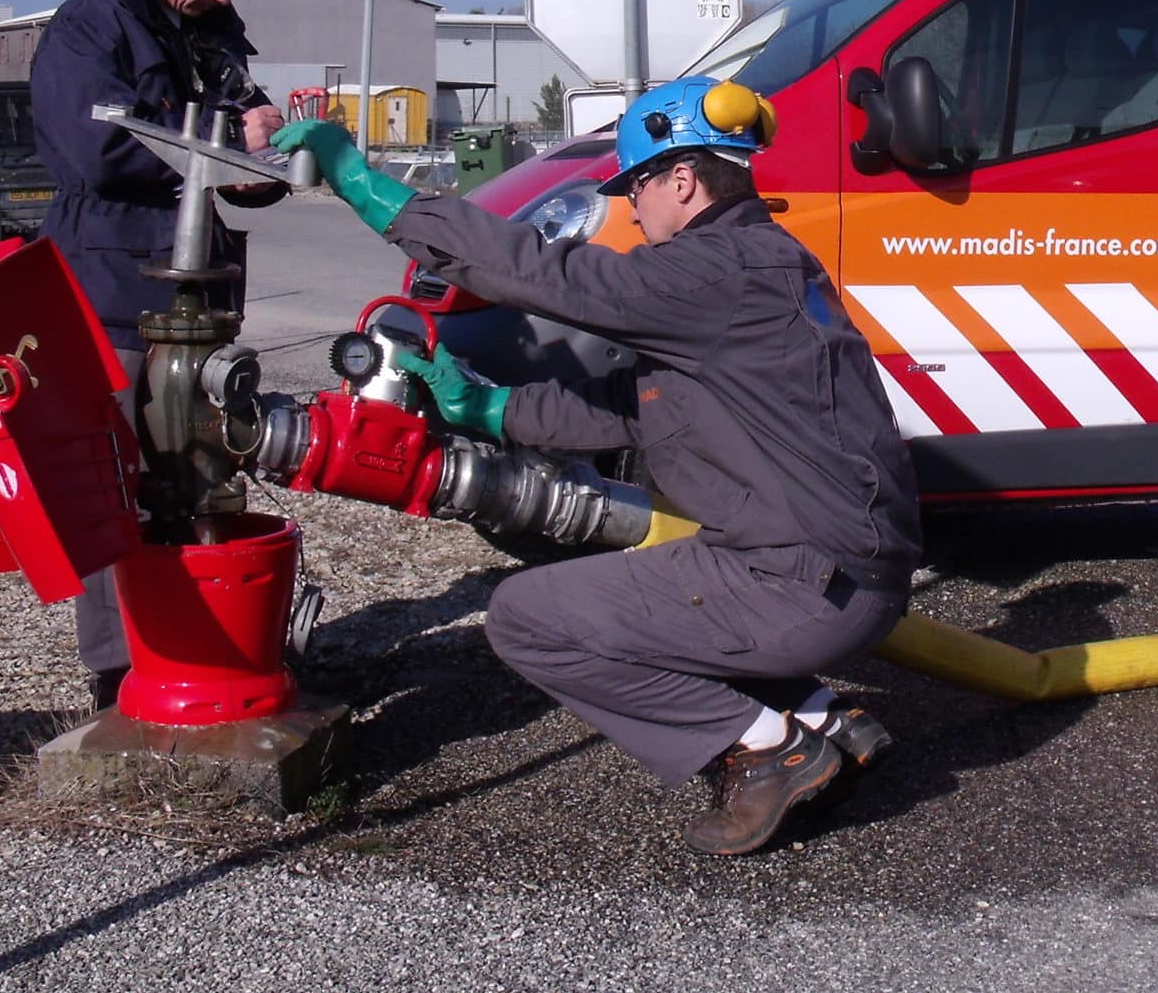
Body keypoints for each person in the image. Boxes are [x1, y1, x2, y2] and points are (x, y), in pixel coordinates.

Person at [277, 74, 922, 856]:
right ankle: (823, 719)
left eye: (638, 186)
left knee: (529, 618)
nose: (631, 206)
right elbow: (634, 403)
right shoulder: (763, 261)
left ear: (682, 180)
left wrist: (364, 185)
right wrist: (488, 411)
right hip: (840, 574)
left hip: (806, 585)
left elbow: (547, 273)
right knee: (672, 584)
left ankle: (766, 748)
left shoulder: (713, 270)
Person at [29, 0, 287, 707]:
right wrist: (220, 134)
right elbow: (94, 149)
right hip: (112, 295)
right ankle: (120, 670)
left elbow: (239, 137)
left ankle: (200, 652)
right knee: (120, 479)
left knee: (200, 469)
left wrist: (261, 154)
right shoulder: (90, 26)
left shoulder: (205, 29)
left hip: (196, 297)